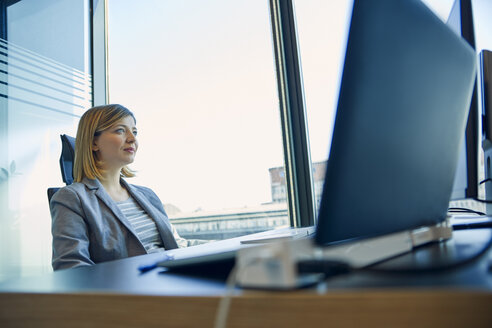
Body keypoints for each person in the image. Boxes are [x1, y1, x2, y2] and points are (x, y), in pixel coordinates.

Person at [50, 104, 202, 271]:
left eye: (134, 132)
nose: (132, 138)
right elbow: (71, 266)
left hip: (173, 279)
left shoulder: (147, 195)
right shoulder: (72, 198)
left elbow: (177, 244)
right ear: (94, 142)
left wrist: (232, 246)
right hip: (130, 291)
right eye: (120, 130)